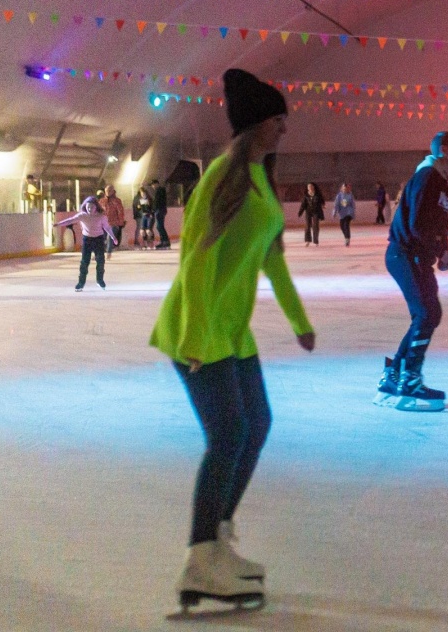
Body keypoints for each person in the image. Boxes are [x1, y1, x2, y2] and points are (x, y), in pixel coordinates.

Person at [150, 68, 315, 610]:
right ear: (256, 124)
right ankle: (201, 559)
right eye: (277, 119)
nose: (284, 128)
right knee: (227, 435)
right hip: (197, 328)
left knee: (257, 425)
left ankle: (218, 538)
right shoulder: (224, 176)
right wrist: (196, 336)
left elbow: (271, 255)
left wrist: (298, 319)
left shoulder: (260, 176)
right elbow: (196, 259)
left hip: (231, 331)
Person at [379, 131, 448, 411]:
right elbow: (416, 223)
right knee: (425, 314)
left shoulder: (442, 181)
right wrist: (439, 250)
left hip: (416, 257)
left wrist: (444, 248)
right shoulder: (427, 177)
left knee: (429, 314)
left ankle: (393, 375)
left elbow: (440, 223)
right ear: (446, 150)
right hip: (404, 255)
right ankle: (409, 381)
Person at [56, 195, 117, 291]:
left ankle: (100, 280)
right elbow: (70, 220)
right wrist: (59, 224)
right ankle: (81, 283)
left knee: (100, 261)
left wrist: (113, 237)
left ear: (96, 207)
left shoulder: (101, 216)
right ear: (85, 206)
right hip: (87, 240)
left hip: (98, 240)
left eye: (92, 207)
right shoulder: (82, 215)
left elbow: (107, 228)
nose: (90, 209)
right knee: (84, 262)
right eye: (88, 207)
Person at [101, 186, 127, 256]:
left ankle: (109, 252)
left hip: (114, 223)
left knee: (110, 237)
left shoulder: (117, 201)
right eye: (106, 191)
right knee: (100, 238)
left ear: (113, 191)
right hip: (103, 224)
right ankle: (99, 253)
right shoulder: (102, 201)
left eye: (109, 191)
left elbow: (120, 212)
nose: (108, 192)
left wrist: (120, 222)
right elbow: (98, 212)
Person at [297, 182, 324, 246]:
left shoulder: (318, 194)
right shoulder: (306, 195)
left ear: (313, 187)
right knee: (307, 226)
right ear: (307, 188)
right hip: (308, 212)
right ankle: (308, 240)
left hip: (316, 212)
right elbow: (303, 205)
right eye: (308, 187)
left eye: (311, 186)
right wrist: (300, 212)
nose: (310, 188)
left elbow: (322, 202)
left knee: (315, 226)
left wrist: (322, 205)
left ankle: (316, 241)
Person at [152, 178, 171, 249]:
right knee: (159, 226)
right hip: (160, 210)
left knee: (159, 226)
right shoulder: (159, 190)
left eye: (153, 185)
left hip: (159, 210)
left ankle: (165, 241)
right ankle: (164, 241)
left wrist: (154, 209)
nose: (152, 186)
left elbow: (158, 202)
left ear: (156, 184)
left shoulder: (159, 190)